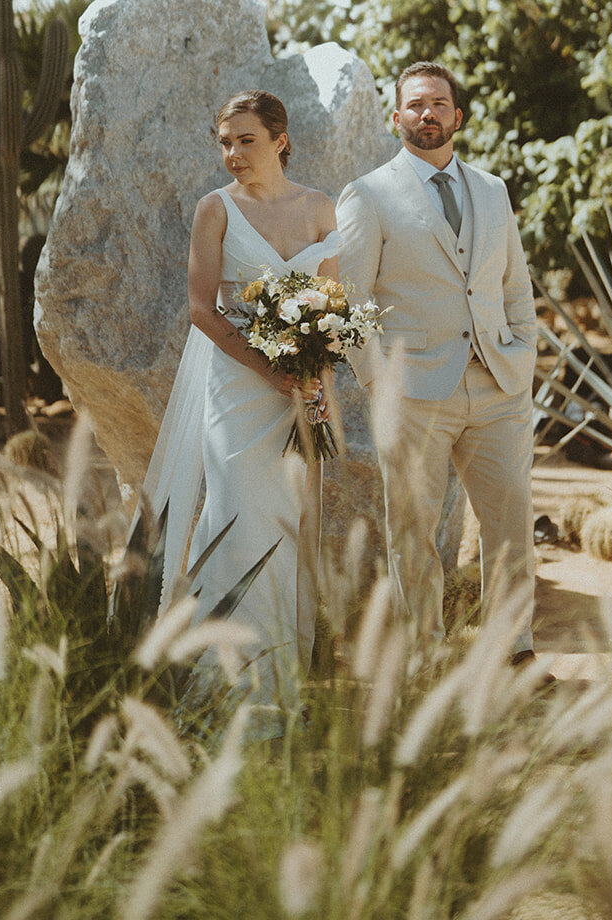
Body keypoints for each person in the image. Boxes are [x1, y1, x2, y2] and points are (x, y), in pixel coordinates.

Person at [141, 90, 338, 706]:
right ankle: (216, 688)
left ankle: (275, 688)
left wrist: (313, 385)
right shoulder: (215, 210)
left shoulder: (321, 209)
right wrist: (267, 367)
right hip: (236, 388)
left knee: (288, 525)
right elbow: (202, 309)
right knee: (234, 518)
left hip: (301, 396)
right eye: (224, 142)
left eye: (245, 140)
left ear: (279, 139)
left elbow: (330, 310)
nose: (233, 154)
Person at [336, 61, 538, 659]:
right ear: (396, 117)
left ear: (458, 115)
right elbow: (350, 301)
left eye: (439, 104)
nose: (428, 113)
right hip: (416, 392)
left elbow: (515, 287)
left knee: (511, 528)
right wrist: (379, 382)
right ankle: (424, 655)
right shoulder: (368, 195)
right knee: (413, 533)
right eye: (415, 104)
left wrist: (521, 353)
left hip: (498, 385)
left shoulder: (494, 191)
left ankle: (515, 651)